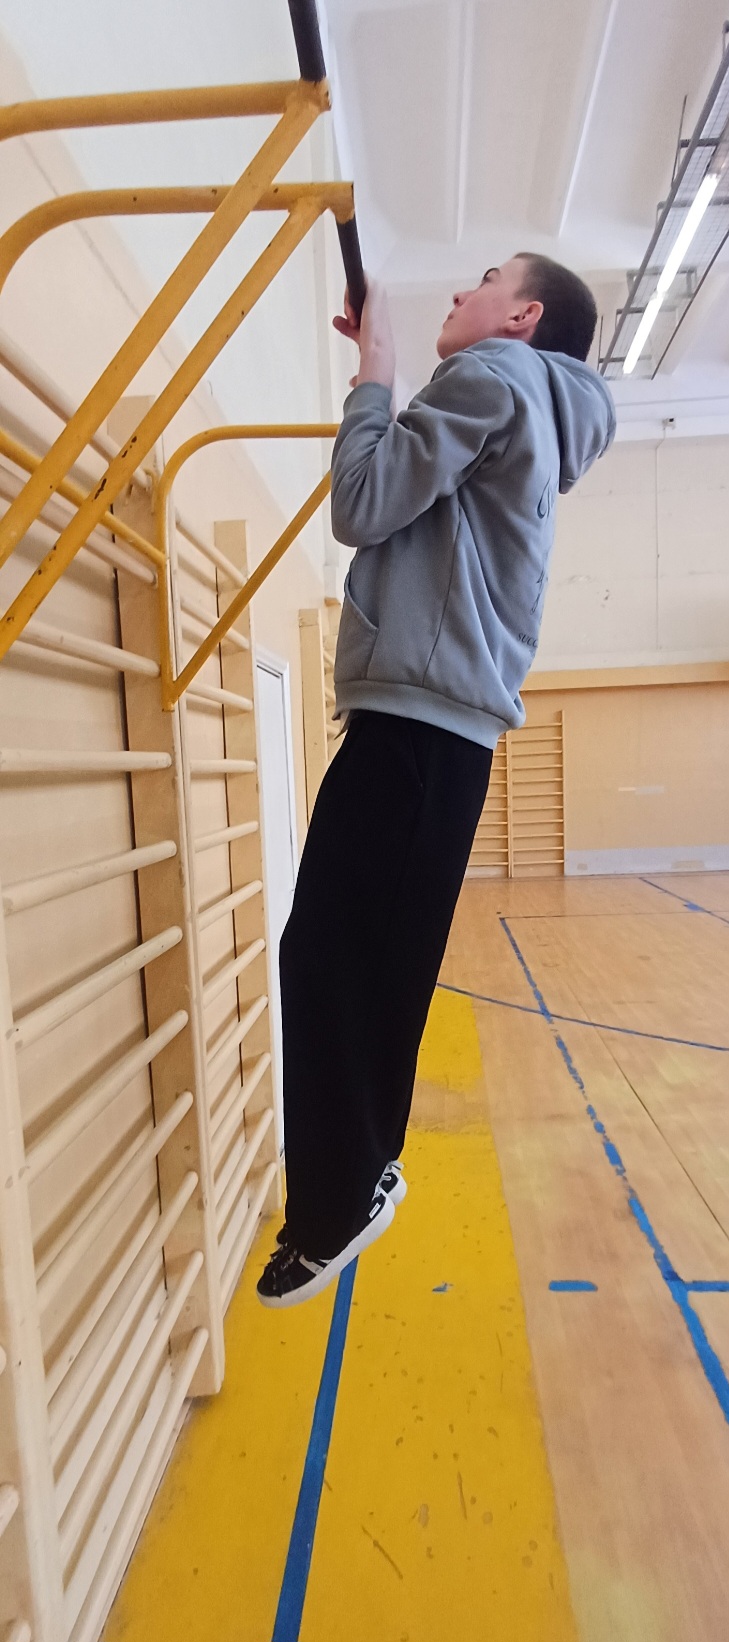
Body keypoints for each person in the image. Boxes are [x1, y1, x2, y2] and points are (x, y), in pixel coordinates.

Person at [257, 253, 615, 1309]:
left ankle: (338, 1203)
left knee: (332, 959)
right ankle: (357, 1177)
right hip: (437, 735)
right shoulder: (528, 404)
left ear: (523, 315)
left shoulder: (495, 377)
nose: (462, 292)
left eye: (485, 280)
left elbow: (361, 501)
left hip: (416, 727)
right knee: (365, 963)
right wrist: (383, 373)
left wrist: (376, 371)